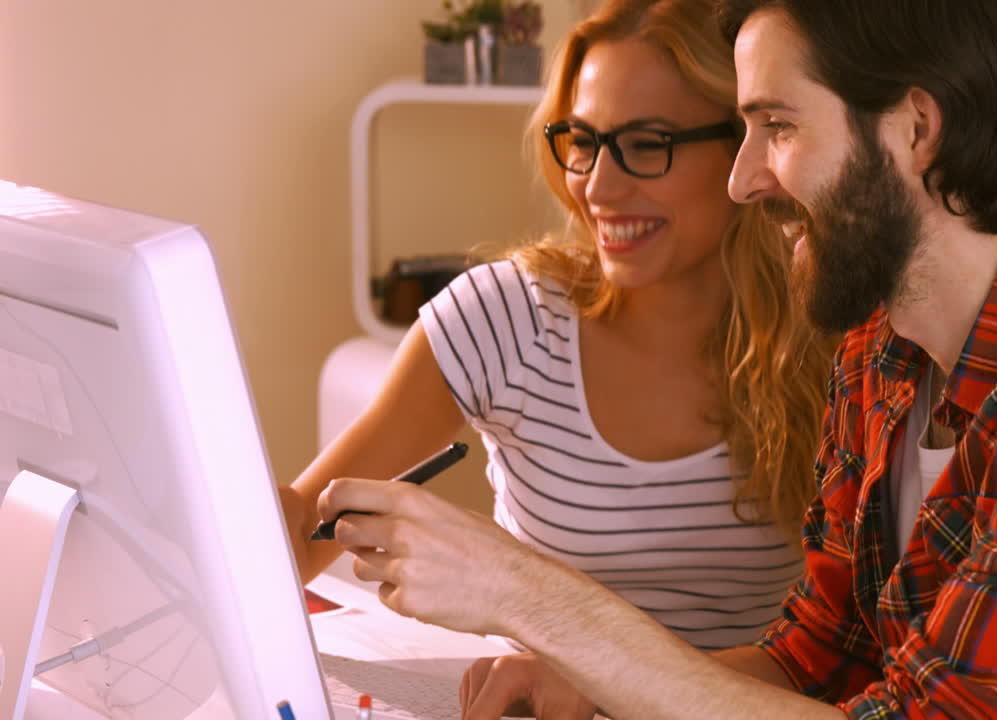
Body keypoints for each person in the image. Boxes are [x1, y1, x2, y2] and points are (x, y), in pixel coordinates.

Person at [318, 1, 997, 718]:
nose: (743, 179)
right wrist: (590, 687)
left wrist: (533, 598)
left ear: (915, 129)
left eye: (775, 128)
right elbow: (816, 659)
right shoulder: (881, 352)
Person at [282, 0, 833, 652]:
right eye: (584, 142)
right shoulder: (506, 319)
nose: (598, 188)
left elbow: (854, 649)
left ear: (745, 150)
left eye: (645, 145)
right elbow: (296, 537)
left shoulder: (828, 337)